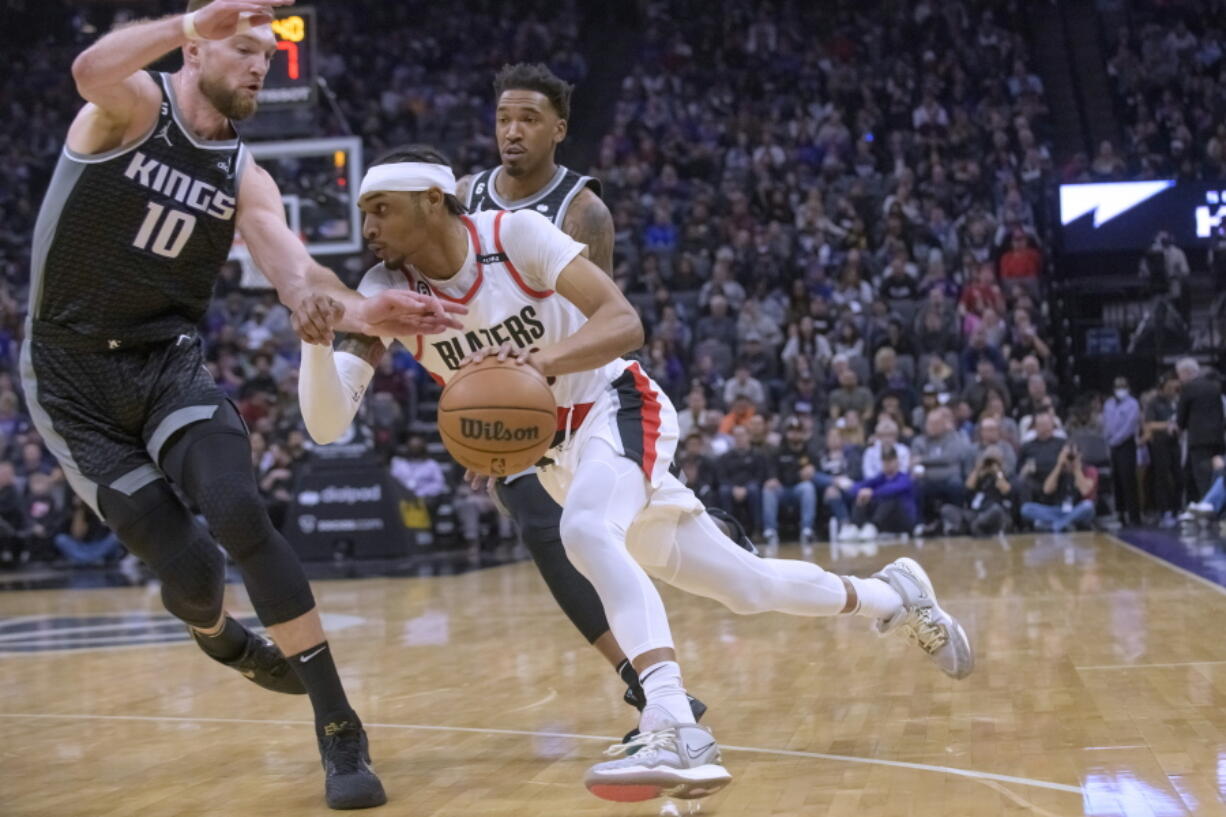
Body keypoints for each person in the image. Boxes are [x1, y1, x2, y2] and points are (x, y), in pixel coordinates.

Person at [300, 148, 974, 802]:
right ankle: (892, 596)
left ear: (430, 201)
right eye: (365, 214)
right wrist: (315, 342)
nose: (368, 229)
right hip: (556, 457)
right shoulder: (385, 293)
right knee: (748, 584)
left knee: (586, 529)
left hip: (616, 405)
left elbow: (625, 321)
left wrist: (541, 364)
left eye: (380, 209)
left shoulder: (514, 235)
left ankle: (674, 722)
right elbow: (327, 424)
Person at [25, 3, 466, 807]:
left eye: (268, 53)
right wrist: (190, 17)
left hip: (166, 365)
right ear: (195, 50)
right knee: (191, 573)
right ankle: (221, 637)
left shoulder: (244, 174)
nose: (261, 65)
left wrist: (364, 314)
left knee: (236, 508)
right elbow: (88, 71)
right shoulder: (132, 105)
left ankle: (339, 726)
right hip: (71, 381)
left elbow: (295, 274)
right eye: (245, 48)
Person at [453, 64, 712, 726]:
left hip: (572, 393)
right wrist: (481, 410)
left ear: (559, 130)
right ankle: (641, 678)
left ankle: (652, 672)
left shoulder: (582, 210)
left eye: (529, 119)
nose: (512, 131)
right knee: (549, 536)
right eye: (504, 118)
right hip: (504, 392)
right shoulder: (463, 195)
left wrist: (529, 380)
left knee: (589, 530)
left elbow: (602, 321)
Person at [841, 445, 918, 541]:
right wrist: (860, 491)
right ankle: (855, 526)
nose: (888, 464)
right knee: (862, 497)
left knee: (890, 497)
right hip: (886, 521)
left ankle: (873, 526)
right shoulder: (880, 478)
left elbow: (892, 489)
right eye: (885, 461)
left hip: (904, 520)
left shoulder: (905, 478)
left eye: (890, 460)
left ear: (897, 461)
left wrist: (872, 493)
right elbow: (860, 486)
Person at [762, 417, 818, 549]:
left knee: (808, 487)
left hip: (798, 490)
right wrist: (772, 478)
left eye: (798, 431)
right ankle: (770, 531)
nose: (795, 434)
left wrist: (809, 472)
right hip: (781, 489)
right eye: (792, 431)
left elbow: (816, 471)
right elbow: (773, 471)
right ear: (786, 433)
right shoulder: (778, 451)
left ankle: (807, 530)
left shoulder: (809, 452)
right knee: (768, 489)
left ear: (803, 433)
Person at [1020, 443, 1098, 532]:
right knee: (1026, 508)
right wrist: (1059, 465)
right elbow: (1047, 490)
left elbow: (1085, 491)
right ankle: (1064, 523)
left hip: (1076, 510)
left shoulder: (1089, 470)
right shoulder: (1057, 469)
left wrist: (1076, 468)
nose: (1069, 458)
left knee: (1088, 506)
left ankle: (1056, 525)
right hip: (1057, 510)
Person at [1176, 358, 1225, 500]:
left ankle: (1209, 513)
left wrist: (1178, 427)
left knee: (1203, 480)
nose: (1179, 379)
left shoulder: (1189, 388)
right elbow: (1221, 413)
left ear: (1185, 373)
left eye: (1179, 374)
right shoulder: (1214, 387)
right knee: (1219, 478)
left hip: (1199, 442)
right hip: (1218, 440)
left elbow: (1181, 419)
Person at [941, 446, 1013, 537]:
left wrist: (997, 471)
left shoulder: (1003, 475)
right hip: (974, 513)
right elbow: (968, 488)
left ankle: (974, 526)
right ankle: (962, 528)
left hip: (990, 514)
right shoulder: (978, 475)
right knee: (947, 509)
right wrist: (978, 469)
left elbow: (1006, 490)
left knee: (996, 510)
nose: (990, 463)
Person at [1144, 372, 1182, 527]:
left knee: (1179, 477)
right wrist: (1168, 425)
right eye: (1169, 387)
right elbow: (1149, 425)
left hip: (1174, 443)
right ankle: (1164, 511)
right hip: (1160, 445)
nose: (1173, 390)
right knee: (1162, 478)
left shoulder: (1176, 401)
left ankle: (1177, 509)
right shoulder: (1153, 403)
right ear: (1162, 387)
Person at [1102, 377, 1141, 526]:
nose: (1120, 389)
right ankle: (1120, 513)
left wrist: (1115, 440)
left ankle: (1134, 515)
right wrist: (1109, 440)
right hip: (1112, 445)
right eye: (1118, 386)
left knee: (1128, 478)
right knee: (1116, 479)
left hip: (1126, 444)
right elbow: (1106, 423)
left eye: (1123, 386)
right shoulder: (1109, 404)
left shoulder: (1133, 404)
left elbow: (1129, 426)